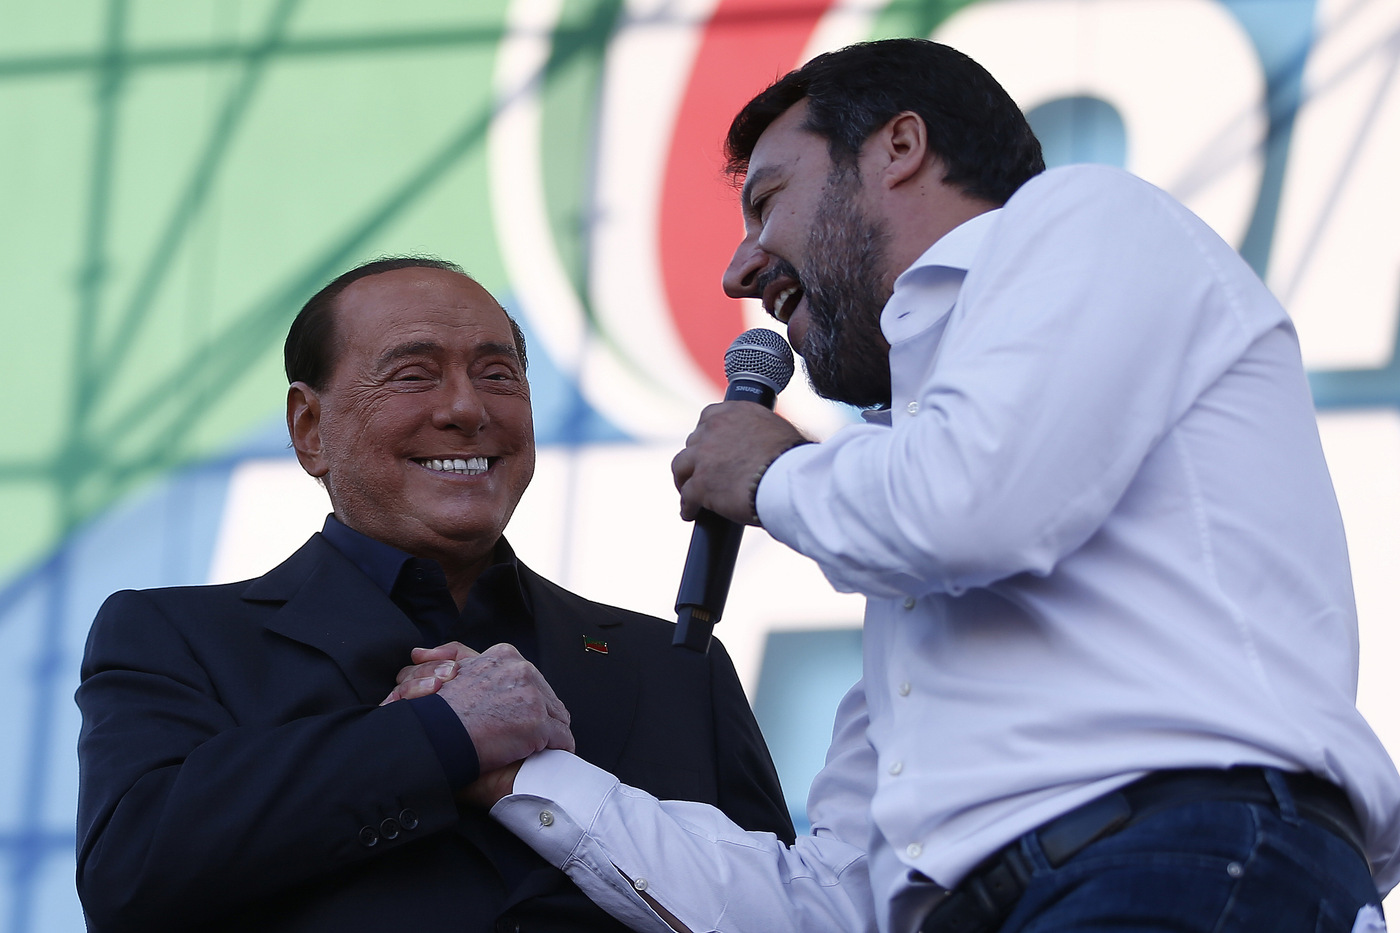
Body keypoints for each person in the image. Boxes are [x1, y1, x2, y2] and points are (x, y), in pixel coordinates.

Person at [453, 38, 1400, 933]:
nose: (741, 269)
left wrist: (769, 468)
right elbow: (836, 899)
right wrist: (530, 778)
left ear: (899, 147)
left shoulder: (1086, 218)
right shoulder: (921, 503)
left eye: (770, 200)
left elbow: (969, 504)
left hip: (1171, 860)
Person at [74, 257, 794, 933]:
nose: (466, 408)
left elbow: (783, 909)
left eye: (498, 375)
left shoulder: (675, 666)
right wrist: (440, 737)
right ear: (309, 428)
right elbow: (130, 876)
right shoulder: (182, 637)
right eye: (414, 375)